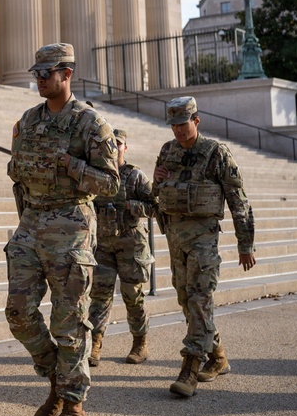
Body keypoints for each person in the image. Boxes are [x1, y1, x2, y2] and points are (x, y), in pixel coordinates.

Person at [5, 43, 120, 416]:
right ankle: (56, 375)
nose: (38, 80)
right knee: (17, 312)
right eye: (35, 73)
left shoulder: (91, 124)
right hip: (31, 222)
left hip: (70, 226)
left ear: (66, 74)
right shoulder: (28, 120)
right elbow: (16, 168)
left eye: (46, 73)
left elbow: (110, 183)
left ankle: (74, 409)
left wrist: (71, 165)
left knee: (69, 321)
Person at [153, 96, 256, 398]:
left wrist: (245, 244)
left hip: (203, 240)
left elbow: (239, 200)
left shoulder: (216, 154)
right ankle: (218, 356)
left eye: (182, 124)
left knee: (199, 299)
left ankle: (190, 369)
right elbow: (156, 196)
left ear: (196, 121)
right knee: (188, 302)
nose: (178, 131)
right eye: (173, 125)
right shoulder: (167, 151)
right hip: (175, 241)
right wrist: (156, 182)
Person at [87, 128, 157, 367]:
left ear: (125, 147)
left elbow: (155, 206)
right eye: (110, 144)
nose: (114, 148)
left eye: (118, 144)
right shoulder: (97, 175)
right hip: (104, 246)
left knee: (133, 296)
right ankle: (95, 343)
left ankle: (140, 342)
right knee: (99, 296)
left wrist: (131, 206)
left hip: (130, 244)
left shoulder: (135, 175)